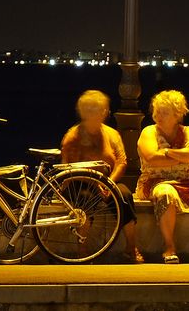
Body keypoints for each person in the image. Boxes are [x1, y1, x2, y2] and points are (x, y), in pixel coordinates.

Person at [136, 89, 189, 264]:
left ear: (177, 114)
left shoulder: (187, 131)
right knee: (165, 193)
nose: (158, 116)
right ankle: (169, 246)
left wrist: (167, 152)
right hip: (155, 180)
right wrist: (181, 156)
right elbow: (151, 158)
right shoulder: (149, 132)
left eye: (164, 112)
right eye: (157, 111)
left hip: (186, 179)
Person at [60, 89, 142, 263]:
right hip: (79, 182)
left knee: (125, 195)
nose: (95, 113)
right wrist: (95, 182)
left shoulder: (111, 134)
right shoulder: (73, 136)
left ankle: (131, 246)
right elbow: (68, 168)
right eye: (89, 110)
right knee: (84, 200)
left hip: (107, 181)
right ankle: (83, 249)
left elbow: (121, 161)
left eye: (98, 110)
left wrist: (108, 182)